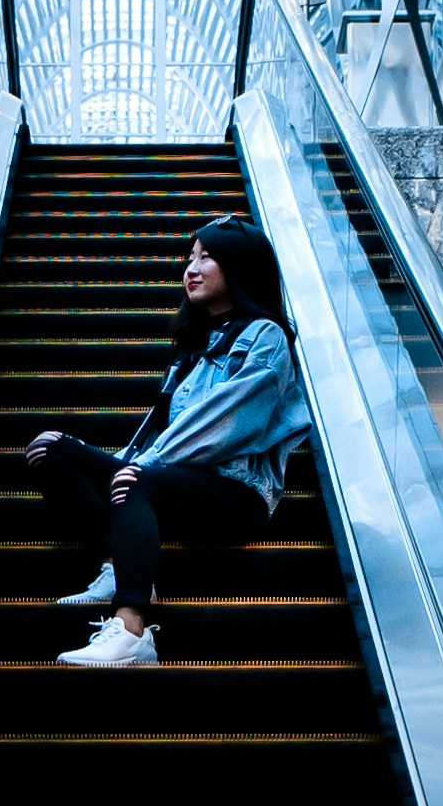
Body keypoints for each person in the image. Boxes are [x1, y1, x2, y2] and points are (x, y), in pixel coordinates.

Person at [23, 216, 304, 668]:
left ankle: (133, 633)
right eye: (189, 259)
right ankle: (117, 566)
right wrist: (107, 460)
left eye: (206, 258)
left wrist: (136, 469)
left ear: (239, 266)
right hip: (170, 481)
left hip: (236, 495)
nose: (191, 269)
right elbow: (155, 437)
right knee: (51, 451)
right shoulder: (192, 349)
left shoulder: (264, 338)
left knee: (134, 479)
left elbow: (223, 425)